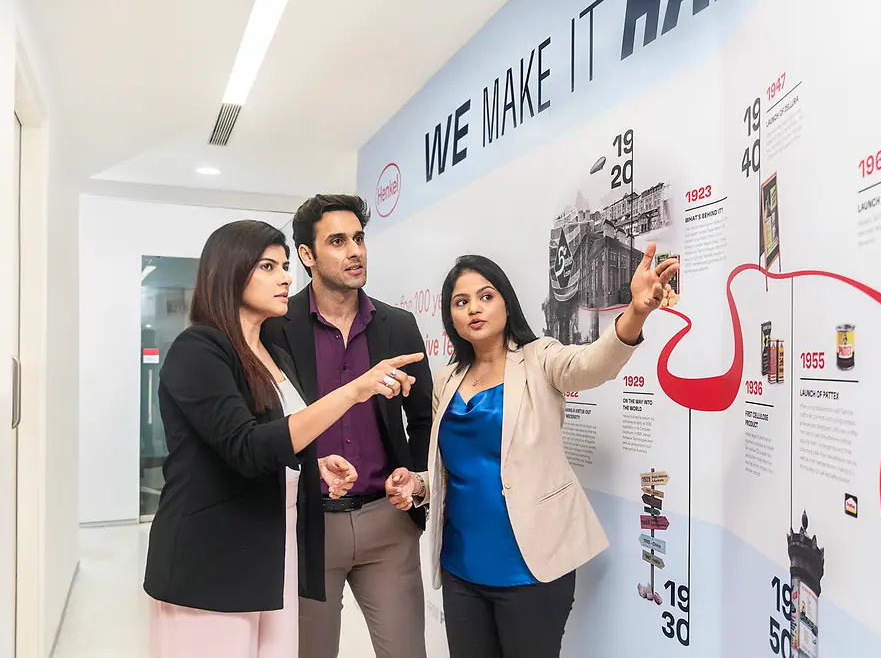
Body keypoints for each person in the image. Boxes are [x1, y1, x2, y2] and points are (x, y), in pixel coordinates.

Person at [143, 220, 424, 658]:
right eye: (268, 266)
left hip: (273, 553)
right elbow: (247, 448)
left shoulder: (268, 355)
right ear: (230, 274)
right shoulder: (198, 348)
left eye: (285, 265)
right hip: (213, 561)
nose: (286, 277)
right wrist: (354, 390)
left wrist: (312, 467)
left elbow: (274, 445)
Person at [385, 245, 680, 658]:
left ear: (507, 302)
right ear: (450, 317)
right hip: (461, 568)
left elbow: (594, 364)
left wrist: (636, 312)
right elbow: (450, 471)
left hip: (530, 568)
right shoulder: (446, 379)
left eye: (486, 296)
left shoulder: (539, 358)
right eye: (461, 301)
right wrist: (417, 485)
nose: (475, 308)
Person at [260, 194, 434, 658]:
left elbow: (422, 418)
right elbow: (265, 425)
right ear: (307, 256)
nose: (354, 251)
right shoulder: (277, 327)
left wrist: (415, 477)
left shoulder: (398, 325)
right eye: (337, 241)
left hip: (387, 523)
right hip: (308, 526)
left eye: (358, 238)